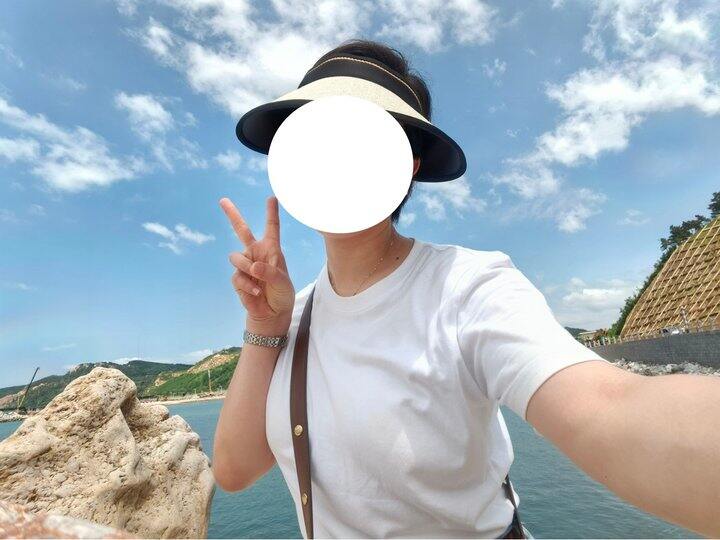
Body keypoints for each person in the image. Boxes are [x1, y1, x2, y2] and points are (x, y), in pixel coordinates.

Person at [212, 40, 720, 538]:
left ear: (408, 166)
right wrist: (265, 324)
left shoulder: (468, 287)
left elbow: (609, 408)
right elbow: (235, 470)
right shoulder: (292, 314)